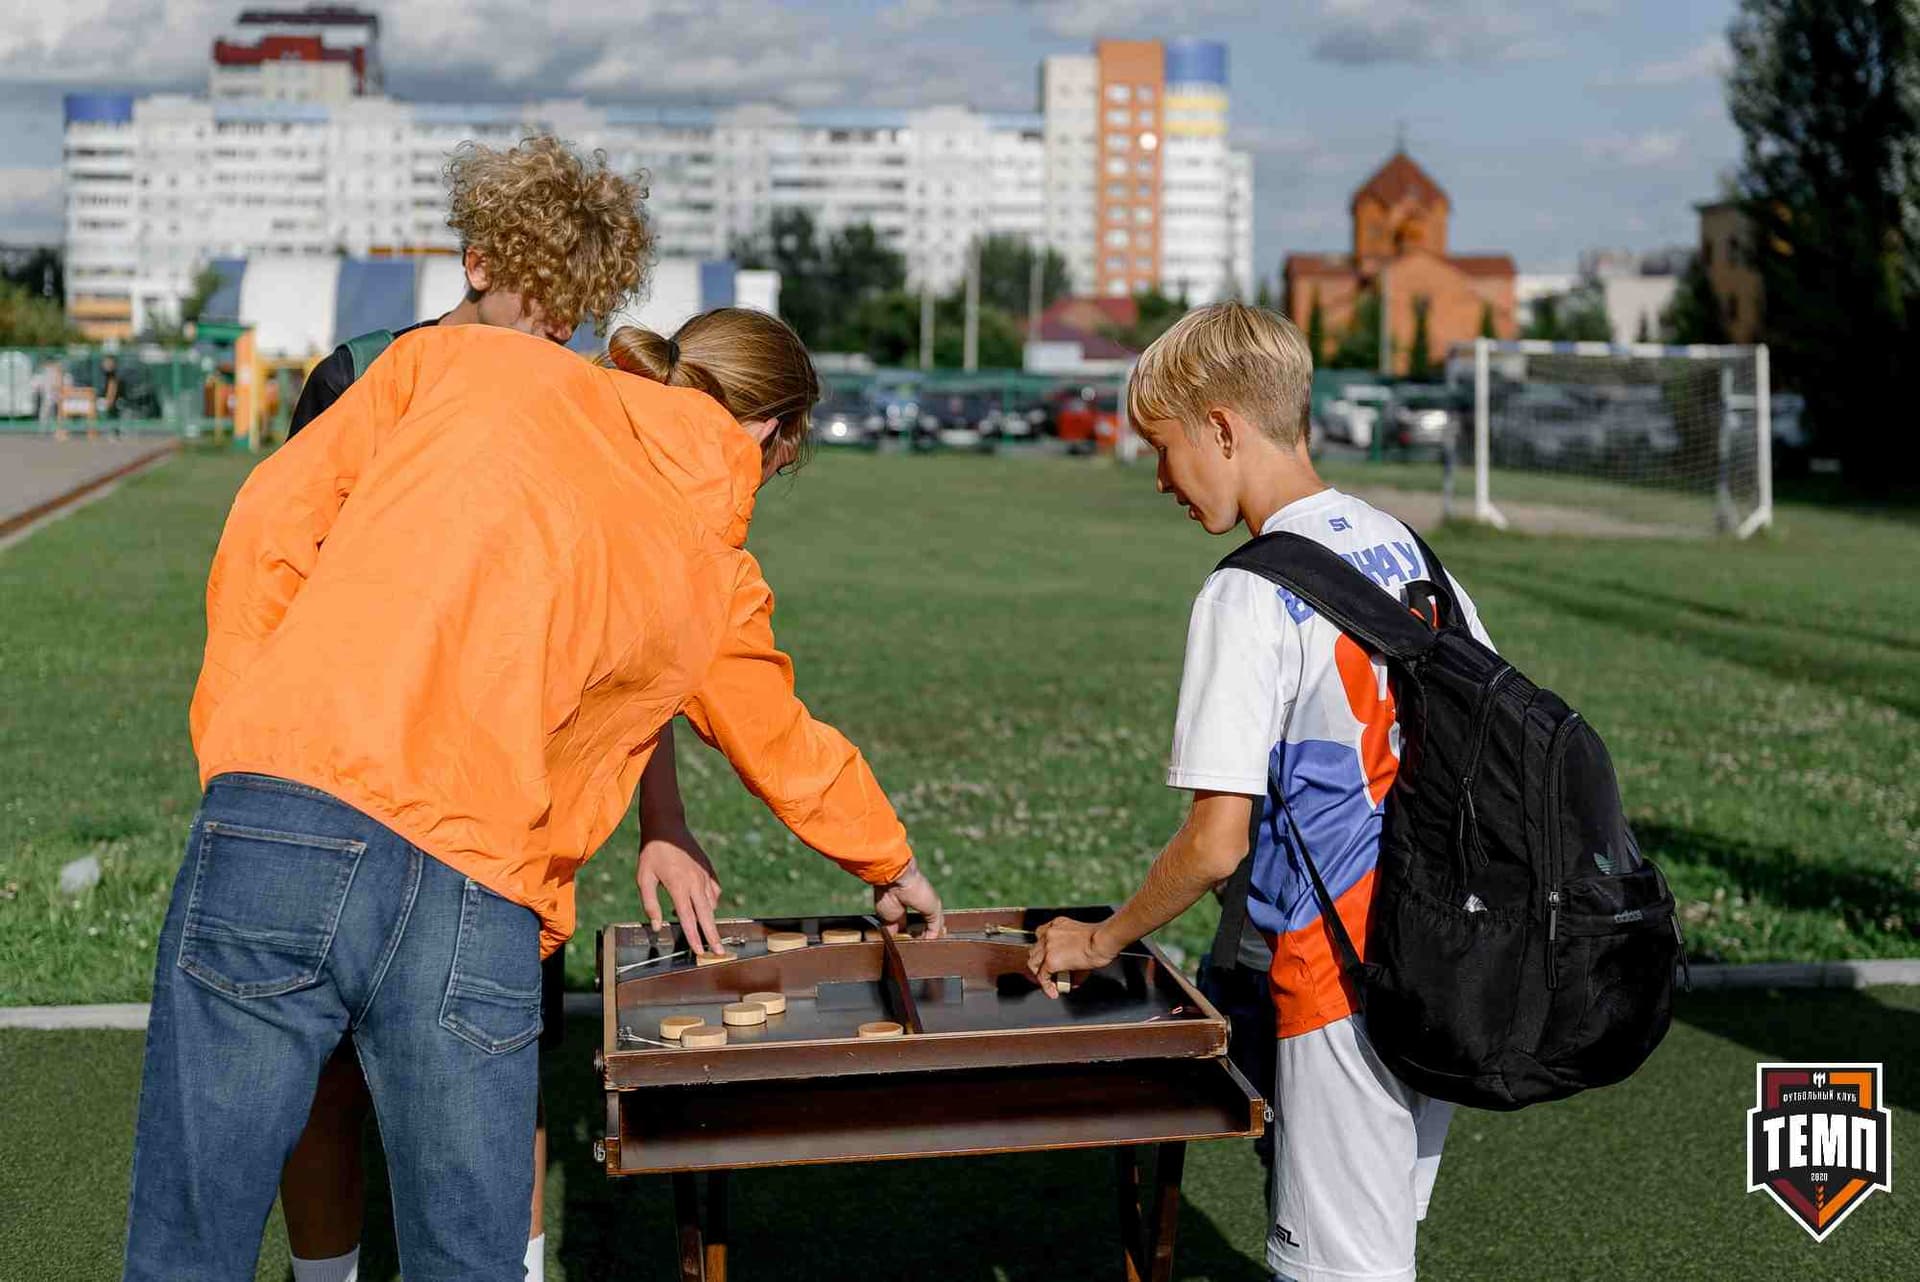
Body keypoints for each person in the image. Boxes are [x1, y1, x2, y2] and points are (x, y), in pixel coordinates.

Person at [123, 305, 945, 1281]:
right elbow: (779, 737)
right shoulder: (714, 567)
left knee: (187, 1248)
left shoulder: (465, 362)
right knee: (469, 1262)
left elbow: (274, 520)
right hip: (477, 881)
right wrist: (891, 863)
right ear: (770, 431)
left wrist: (240, 754)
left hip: (277, 809)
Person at [1026, 302, 1494, 1282]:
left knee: (1341, 1269)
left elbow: (1215, 844)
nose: (1159, 476)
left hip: (1336, 976)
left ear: (1222, 428)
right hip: (1446, 956)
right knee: (1375, 1244)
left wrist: (1102, 940)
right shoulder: (1412, 552)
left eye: (1163, 447)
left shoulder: (1248, 590)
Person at [273, 132, 654, 1282]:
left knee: (500, 1061)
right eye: (542, 297)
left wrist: (666, 817)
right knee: (323, 1068)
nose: (558, 330)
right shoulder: (356, 378)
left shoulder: (583, 406)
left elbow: (627, 632)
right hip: (340, 780)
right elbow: (279, 577)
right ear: (480, 263)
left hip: (500, 808)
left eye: (577, 309)